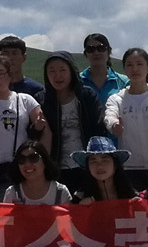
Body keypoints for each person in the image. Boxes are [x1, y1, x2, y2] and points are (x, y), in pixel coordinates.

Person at [101, 48, 148, 194]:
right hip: (131, 167)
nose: (134, 69)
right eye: (129, 65)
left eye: (139, 64)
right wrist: (113, 125)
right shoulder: (117, 99)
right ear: (124, 69)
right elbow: (110, 115)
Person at [0, 55, 48, 195]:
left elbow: (43, 126)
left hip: (25, 166)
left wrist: (44, 162)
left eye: (0, 74)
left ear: (9, 76)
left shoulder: (25, 99)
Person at [39, 52, 104, 195]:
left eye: (62, 70)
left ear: (72, 71)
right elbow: (34, 136)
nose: (57, 76)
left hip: (86, 166)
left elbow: (99, 128)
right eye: (52, 71)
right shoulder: (42, 100)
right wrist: (36, 128)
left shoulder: (87, 96)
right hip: (56, 168)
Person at [2, 143, 72, 206]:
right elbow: (4, 220)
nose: (27, 164)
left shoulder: (61, 192)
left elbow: (67, 219)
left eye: (33, 158)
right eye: (21, 159)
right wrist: (13, 213)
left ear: (45, 162)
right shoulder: (12, 193)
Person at [77, 138, 136, 203]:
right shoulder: (79, 197)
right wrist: (80, 210)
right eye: (93, 161)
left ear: (115, 165)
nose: (99, 166)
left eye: (105, 160)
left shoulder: (131, 194)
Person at [79, 33, 129, 106]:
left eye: (101, 48)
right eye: (90, 49)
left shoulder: (124, 82)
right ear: (85, 54)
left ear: (108, 51)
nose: (96, 53)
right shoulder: (77, 81)